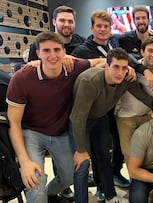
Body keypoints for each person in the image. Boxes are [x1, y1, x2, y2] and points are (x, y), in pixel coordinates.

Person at [5, 31, 99, 203]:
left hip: (60, 132)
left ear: (64, 51)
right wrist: (24, 162)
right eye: (46, 51)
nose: (53, 55)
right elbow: (14, 122)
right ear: (38, 53)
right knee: (34, 182)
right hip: (31, 132)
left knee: (71, 176)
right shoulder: (22, 78)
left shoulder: (73, 66)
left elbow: (101, 61)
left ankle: (50, 192)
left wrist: (132, 68)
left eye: (57, 50)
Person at [71, 10, 152, 199]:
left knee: (104, 156)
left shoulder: (115, 50)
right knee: (82, 163)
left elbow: (142, 95)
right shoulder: (84, 58)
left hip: (102, 116)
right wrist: (81, 150)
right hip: (80, 116)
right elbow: (78, 116)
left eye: (105, 26)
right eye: (98, 26)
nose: (120, 71)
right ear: (106, 65)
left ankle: (108, 193)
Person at [115, 36, 153, 163]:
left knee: (151, 153)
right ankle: (136, 181)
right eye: (150, 50)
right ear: (142, 52)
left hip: (149, 116)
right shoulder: (130, 69)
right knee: (130, 155)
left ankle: (151, 180)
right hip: (127, 116)